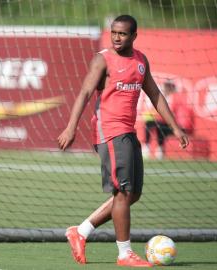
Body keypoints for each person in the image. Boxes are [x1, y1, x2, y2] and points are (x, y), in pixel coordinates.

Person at [57, 15, 188, 267]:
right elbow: (85, 92)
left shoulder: (141, 61)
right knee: (123, 192)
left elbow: (155, 94)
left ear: (134, 36)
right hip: (109, 131)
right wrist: (71, 127)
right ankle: (124, 253)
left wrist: (175, 128)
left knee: (133, 194)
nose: (117, 37)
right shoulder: (102, 59)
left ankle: (80, 231)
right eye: (114, 32)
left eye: (123, 34)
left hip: (128, 132)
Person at [141, 79, 194, 160]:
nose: (170, 88)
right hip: (156, 120)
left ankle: (160, 149)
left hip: (169, 124)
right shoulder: (156, 95)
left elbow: (173, 114)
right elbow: (151, 111)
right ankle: (146, 147)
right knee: (149, 124)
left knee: (160, 127)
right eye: (168, 86)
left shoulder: (174, 97)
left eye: (171, 87)